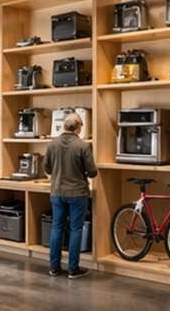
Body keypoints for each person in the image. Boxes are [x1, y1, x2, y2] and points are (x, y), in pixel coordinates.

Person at [46, 110, 97, 279]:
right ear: (79, 127)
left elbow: (46, 168)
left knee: (57, 228)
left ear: (64, 126)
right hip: (77, 193)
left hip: (57, 192)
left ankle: (54, 268)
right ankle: (73, 269)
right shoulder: (83, 146)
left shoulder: (52, 144)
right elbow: (92, 173)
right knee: (76, 229)